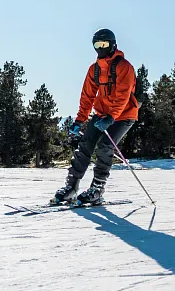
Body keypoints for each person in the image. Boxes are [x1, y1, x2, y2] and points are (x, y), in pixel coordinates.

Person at [51, 28, 139, 206]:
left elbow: (123, 95)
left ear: (113, 45)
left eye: (104, 44)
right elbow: (87, 96)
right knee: (85, 144)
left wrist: (112, 117)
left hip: (124, 115)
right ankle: (71, 187)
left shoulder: (124, 67)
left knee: (105, 145)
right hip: (102, 114)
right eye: (97, 45)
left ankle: (97, 189)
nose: (101, 48)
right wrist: (80, 120)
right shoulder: (95, 69)